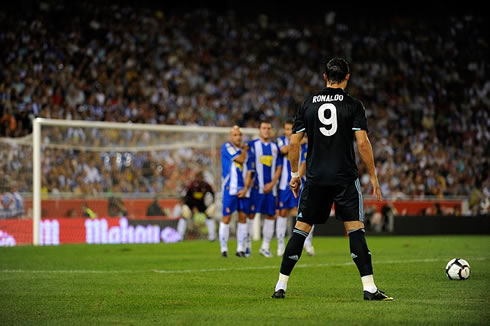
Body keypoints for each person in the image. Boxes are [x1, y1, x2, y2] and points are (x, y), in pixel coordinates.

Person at [271, 58, 393, 301]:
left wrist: (295, 175)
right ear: (347, 77)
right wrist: (375, 177)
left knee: (300, 230)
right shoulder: (353, 105)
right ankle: (369, 288)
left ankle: (280, 286)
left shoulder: (307, 104)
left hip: (316, 178)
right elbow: (362, 143)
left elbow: (293, 143)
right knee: (355, 230)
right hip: (344, 178)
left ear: (325, 77)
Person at [247, 120, 283, 257]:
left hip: (271, 189)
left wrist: (272, 183)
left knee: (270, 216)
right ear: (259, 130)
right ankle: (247, 246)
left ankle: (265, 247)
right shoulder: (252, 145)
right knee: (251, 215)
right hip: (256, 188)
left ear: (271, 130)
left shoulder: (275, 148)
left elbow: (279, 167)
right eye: (264, 128)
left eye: (268, 128)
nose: (266, 130)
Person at [276, 119, 310, 256]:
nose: (288, 132)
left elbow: (304, 163)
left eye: (291, 129)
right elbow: (283, 150)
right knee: (282, 212)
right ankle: (280, 246)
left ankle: (307, 244)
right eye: (287, 129)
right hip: (284, 183)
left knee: (304, 213)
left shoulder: (305, 145)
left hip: (300, 182)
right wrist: (296, 143)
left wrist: (297, 178)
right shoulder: (281, 141)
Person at [219, 126, 251, 257]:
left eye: (240, 135)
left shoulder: (245, 151)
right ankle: (224, 249)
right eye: (235, 135)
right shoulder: (227, 147)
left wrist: (246, 189)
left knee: (243, 217)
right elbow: (241, 160)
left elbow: (249, 171)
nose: (238, 137)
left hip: (243, 189)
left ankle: (240, 249)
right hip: (229, 188)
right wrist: (245, 150)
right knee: (226, 217)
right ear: (230, 137)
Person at [181, 171, 216, 241]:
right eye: (199, 177)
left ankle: (212, 237)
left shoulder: (206, 185)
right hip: (191, 205)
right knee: (184, 214)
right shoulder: (191, 185)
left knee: (209, 215)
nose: (200, 179)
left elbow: (212, 194)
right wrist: (190, 206)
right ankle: (180, 236)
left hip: (202, 205)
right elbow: (185, 196)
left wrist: (211, 203)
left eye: (201, 177)